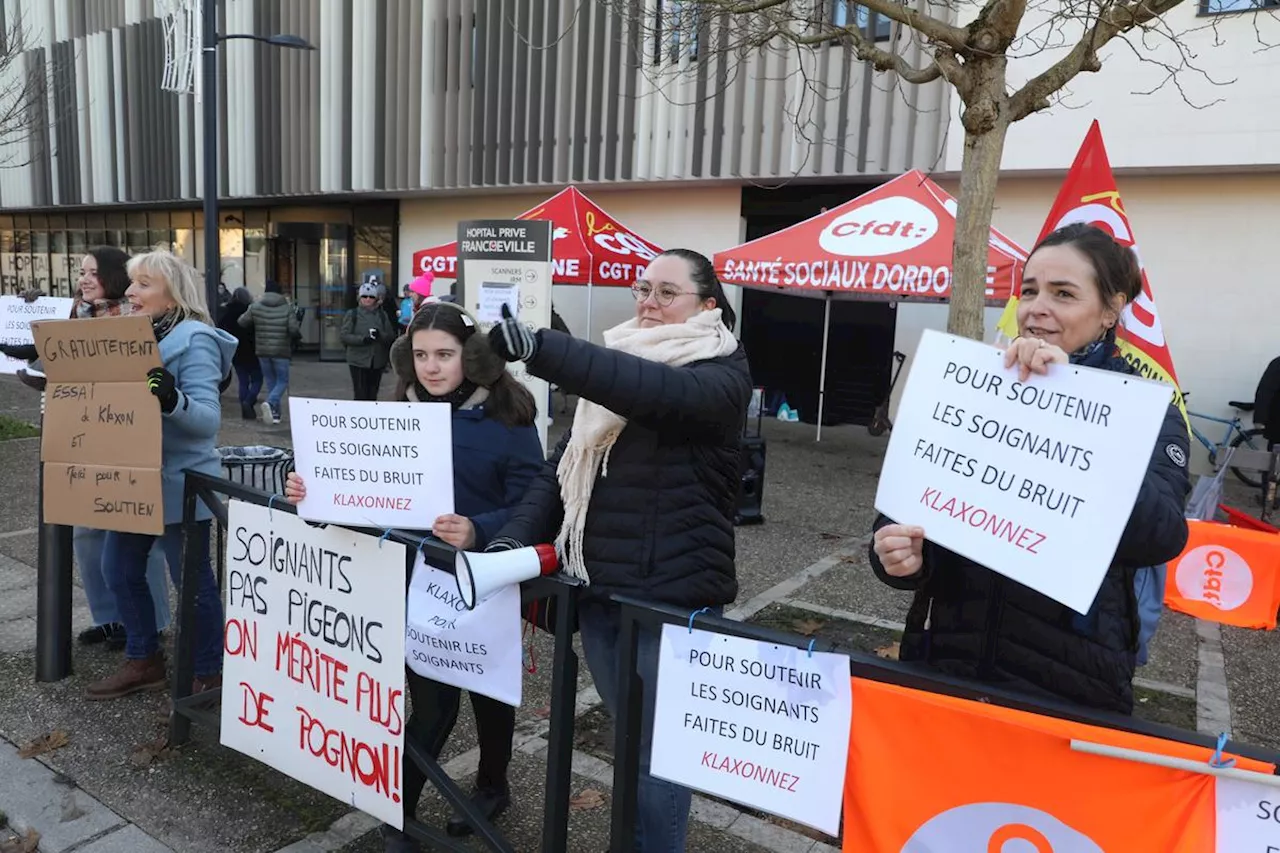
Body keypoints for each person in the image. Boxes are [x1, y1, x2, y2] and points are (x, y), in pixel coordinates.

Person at [485, 248, 751, 853]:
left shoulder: (722, 374)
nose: (647, 303)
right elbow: (560, 471)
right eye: (641, 289)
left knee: (660, 751)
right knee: (627, 738)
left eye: (665, 292)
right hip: (602, 591)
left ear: (708, 305)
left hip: (669, 603)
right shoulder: (620, 363)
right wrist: (509, 541)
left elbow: (651, 391)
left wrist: (544, 348)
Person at [870, 223, 1191, 714]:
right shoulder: (970, 387)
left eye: (1063, 293)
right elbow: (908, 512)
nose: (1037, 306)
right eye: (1029, 290)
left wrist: (1066, 405)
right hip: (947, 665)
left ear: (1110, 310)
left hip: (1070, 685)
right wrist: (899, 559)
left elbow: (1161, 533)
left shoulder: (1149, 411)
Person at [283, 301, 543, 851]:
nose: (431, 367)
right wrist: (315, 495)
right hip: (409, 576)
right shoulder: (392, 412)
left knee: (490, 692)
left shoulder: (511, 415)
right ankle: (397, 809)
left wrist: (478, 529)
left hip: (483, 576)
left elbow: (536, 501)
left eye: (444, 354)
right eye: (421, 354)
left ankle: (493, 785)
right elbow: (365, 496)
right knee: (432, 702)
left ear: (471, 357)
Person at [0, 247, 171, 649]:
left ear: (114, 275)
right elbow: (51, 360)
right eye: (81, 272)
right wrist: (33, 315)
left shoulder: (137, 318)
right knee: (87, 535)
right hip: (86, 436)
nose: (84, 279)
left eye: (93, 272)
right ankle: (110, 618)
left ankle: (151, 622)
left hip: (127, 436)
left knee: (133, 538)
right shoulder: (77, 314)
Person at [87, 249, 234, 700]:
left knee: (191, 583)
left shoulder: (195, 340)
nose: (131, 291)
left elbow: (207, 421)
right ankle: (144, 658)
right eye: (132, 283)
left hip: (180, 483)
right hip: (135, 477)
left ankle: (209, 671)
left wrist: (171, 400)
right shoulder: (131, 336)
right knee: (118, 569)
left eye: (144, 284)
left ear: (172, 296)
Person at [238, 280, 298, 424]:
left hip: (262, 349)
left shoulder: (256, 306)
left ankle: (275, 415)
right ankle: (271, 403)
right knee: (282, 381)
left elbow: (242, 321)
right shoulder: (286, 307)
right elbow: (294, 329)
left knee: (271, 381)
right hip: (281, 350)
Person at [341, 281, 396, 400]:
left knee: (372, 394)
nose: (367, 299)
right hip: (358, 360)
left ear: (375, 298)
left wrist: (380, 335)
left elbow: (391, 336)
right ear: (359, 298)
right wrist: (363, 340)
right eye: (364, 296)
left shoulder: (382, 315)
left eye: (371, 296)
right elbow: (344, 335)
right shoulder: (353, 314)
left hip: (377, 361)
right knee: (360, 394)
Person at [217, 286, 261, 419]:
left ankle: (244, 404)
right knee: (257, 378)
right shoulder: (249, 311)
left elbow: (220, 329)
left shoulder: (226, 312)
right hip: (251, 350)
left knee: (243, 380)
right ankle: (249, 401)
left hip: (235, 351)